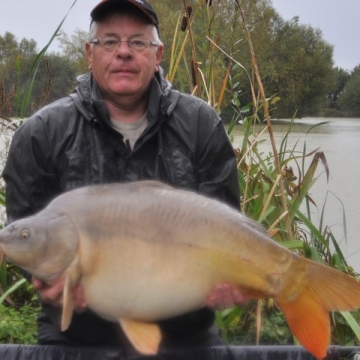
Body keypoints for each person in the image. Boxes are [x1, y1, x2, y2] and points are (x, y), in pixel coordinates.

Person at [3, 0, 245, 351]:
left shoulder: (200, 125)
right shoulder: (42, 133)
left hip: (187, 332)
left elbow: (228, 223)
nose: (124, 53)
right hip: (74, 335)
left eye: (138, 42)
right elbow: (27, 234)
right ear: (89, 53)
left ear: (158, 54)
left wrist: (232, 279)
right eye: (110, 41)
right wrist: (45, 281)